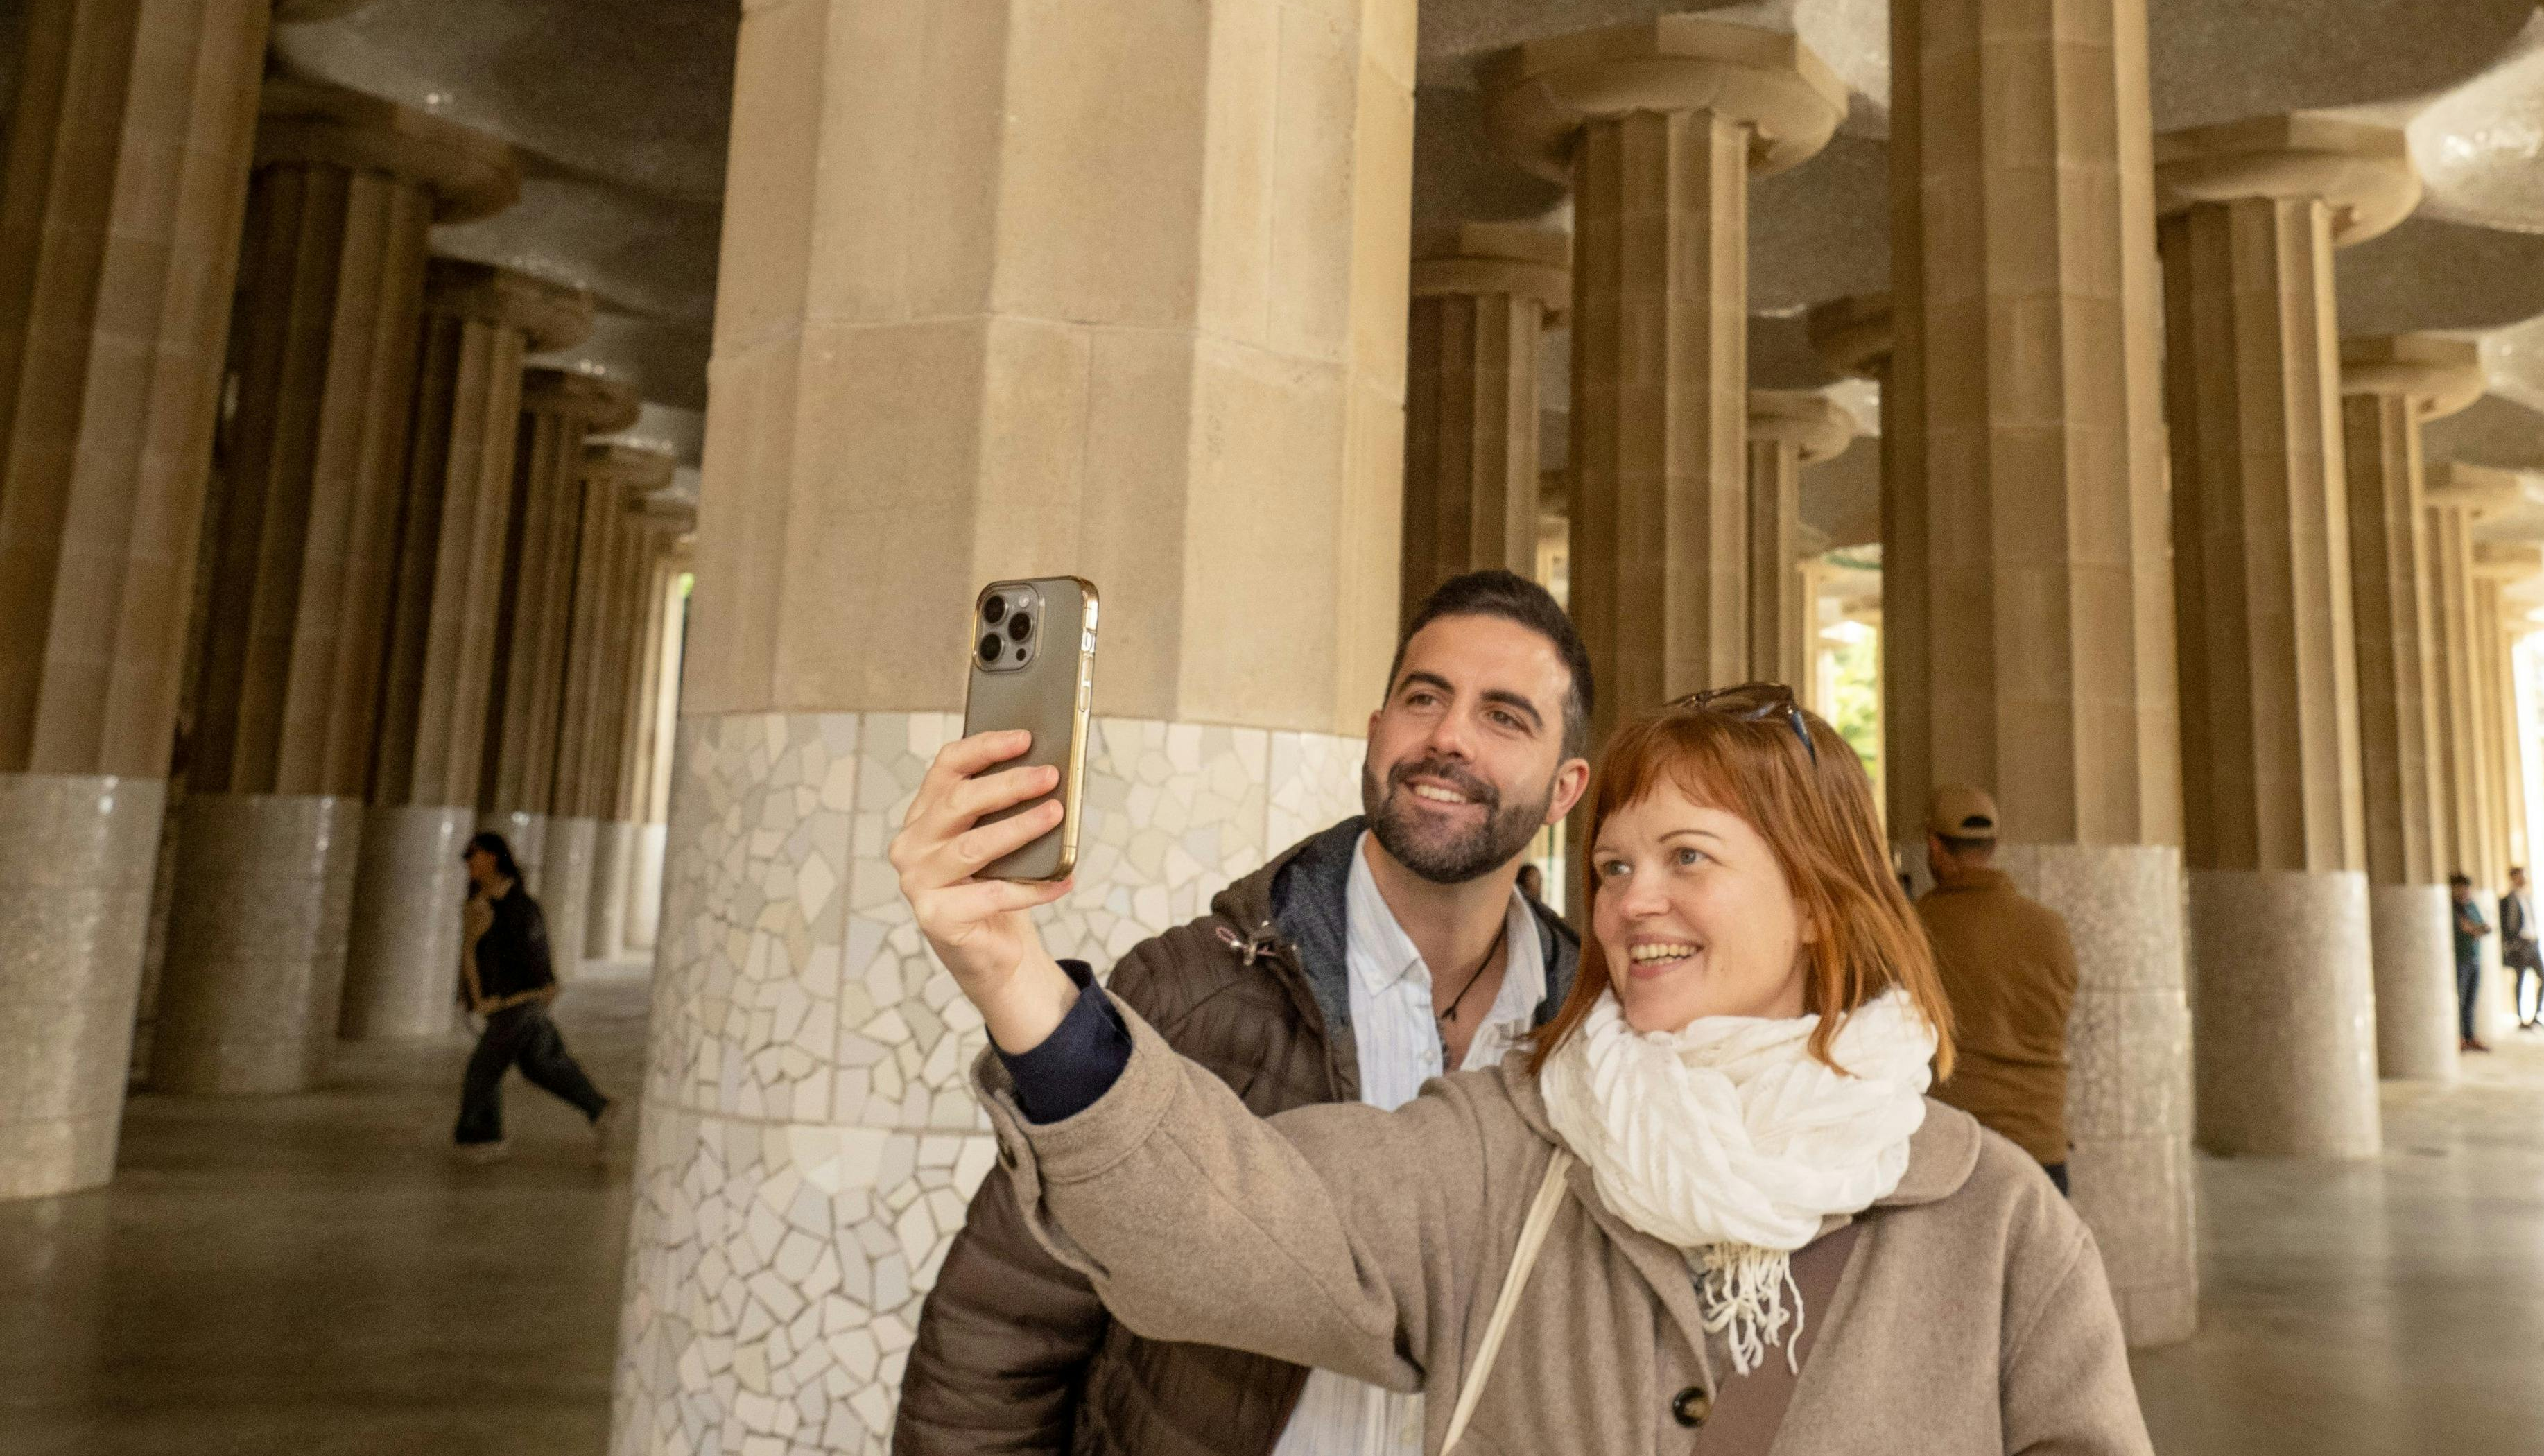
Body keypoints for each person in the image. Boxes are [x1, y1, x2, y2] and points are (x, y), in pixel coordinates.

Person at [891, 690, 2150, 1456]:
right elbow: (1233, 1222)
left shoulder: (1998, 1229)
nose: (1628, 902)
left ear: (1821, 903)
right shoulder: (1515, 1145)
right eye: (1612, 865)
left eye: (1688, 860)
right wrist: (1014, 976)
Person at [893, 570, 1593, 1456]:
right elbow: (998, 1336)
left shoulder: (1598, 1041)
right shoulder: (1194, 991)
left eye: (1503, 716)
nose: (1447, 737)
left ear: (1565, 788)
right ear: (1376, 738)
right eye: (1424, 698)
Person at [1910, 783, 2077, 1195]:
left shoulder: (1915, 929)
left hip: (1956, 1152)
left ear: (1934, 846)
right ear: (1994, 845)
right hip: (2041, 1147)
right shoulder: (2051, 929)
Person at [453, 831, 615, 1159]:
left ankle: (483, 1138)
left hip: (519, 1001)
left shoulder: (518, 905)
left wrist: (545, 985)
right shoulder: (478, 903)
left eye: (474, 855)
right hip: (499, 1003)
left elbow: (534, 947)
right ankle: (598, 1108)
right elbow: (471, 955)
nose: (468, 862)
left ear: (493, 857)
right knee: (540, 1064)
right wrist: (471, 997)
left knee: (484, 1069)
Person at [2500, 867, 2544, 1030]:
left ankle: (2536, 1015)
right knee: (2519, 980)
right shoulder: (2508, 900)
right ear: (2513, 878)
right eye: (2519, 877)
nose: (2523, 880)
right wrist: (2512, 944)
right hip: (2520, 944)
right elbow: (2505, 925)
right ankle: (2521, 1018)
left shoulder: (2528, 897)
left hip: (2533, 942)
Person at [2450, 874, 2492, 1053]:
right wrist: (2475, 929)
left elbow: (2484, 927)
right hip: (2460, 959)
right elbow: (2464, 929)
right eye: (2460, 887)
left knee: (2470, 1000)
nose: (2464, 891)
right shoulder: (2452, 909)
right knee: (2458, 1000)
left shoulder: (2471, 905)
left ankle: (2470, 1035)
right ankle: (2459, 1037)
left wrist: (2474, 929)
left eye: (2466, 887)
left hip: (2474, 958)